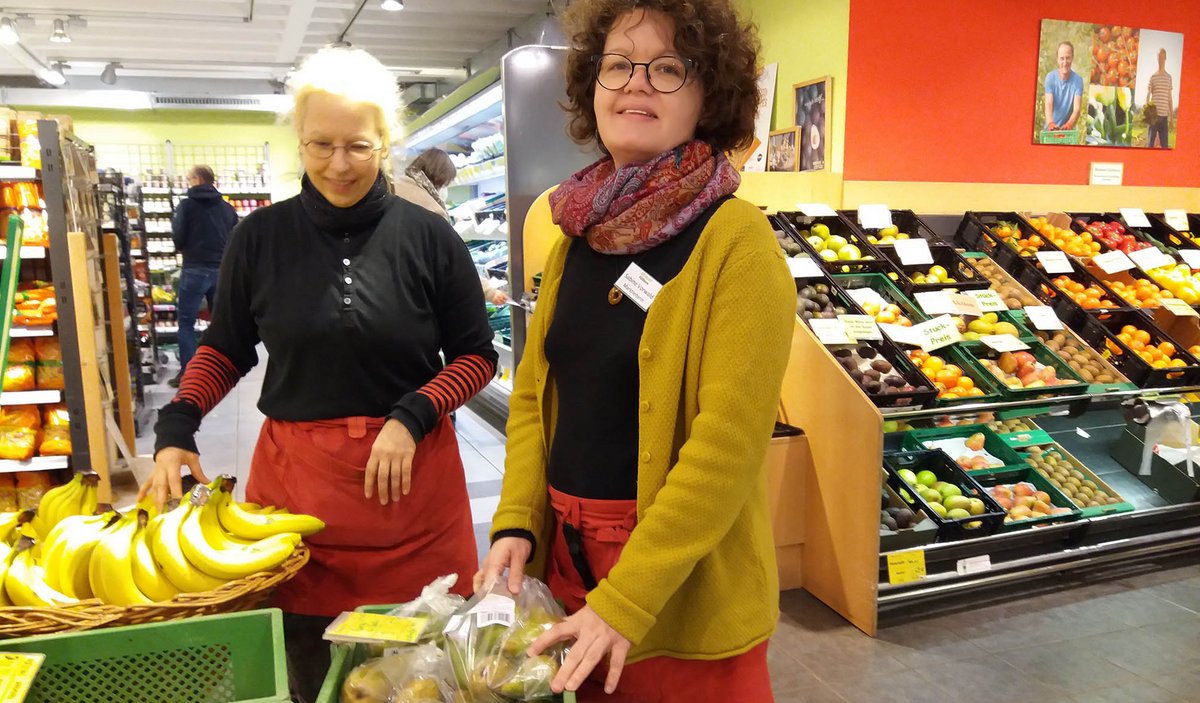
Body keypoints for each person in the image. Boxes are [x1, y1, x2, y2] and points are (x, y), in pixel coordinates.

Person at [140, 46, 497, 703]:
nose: (338, 164)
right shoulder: (258, 238)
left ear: (385, 142)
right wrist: (178, 421)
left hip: (414, 489)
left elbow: (477, 356)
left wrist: (413, 413)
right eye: (320, 145)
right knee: (312, 671)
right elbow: (226, 347)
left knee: (427, 674)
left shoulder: (430, 238)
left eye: (358, 146)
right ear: (299, 140)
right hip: (299, 500)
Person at [476, 1, 794, 700]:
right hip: (566, 569)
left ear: (710, 96)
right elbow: (532, 398)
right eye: (617, 65)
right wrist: (517, 522)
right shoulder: (575, 238)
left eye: (667, 68)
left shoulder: (737, 241)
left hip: (679, 591)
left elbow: (727, 448)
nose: (636, 82)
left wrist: (627, 598)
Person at [168, 164, 238, 388]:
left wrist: (186, 247)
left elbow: (178, 237)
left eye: (189, 178)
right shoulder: (227, 208)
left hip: (194, 269)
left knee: (186, 323)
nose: (188, 182)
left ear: (198, 179)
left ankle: (189, 373)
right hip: (221, 270)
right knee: (219, 323)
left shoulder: (186, 206)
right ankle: (220, 370)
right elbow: (236, 238)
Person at [394, 147, 457, 218]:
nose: (444, 190)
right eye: (444, 185)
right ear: (439, 180)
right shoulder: (434, 211)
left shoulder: (393, 188)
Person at [1044, 40, 1083, 131]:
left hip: (1067, 129)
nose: (1065, 62)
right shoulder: (1050, 78)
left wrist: (1069, 124)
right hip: (1050, 128)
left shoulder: (1078, 80)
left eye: (1068, 58)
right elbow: (1049, 103)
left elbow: (1077, 109)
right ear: (1057, 59)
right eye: (1062, 58)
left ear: (1072, 58)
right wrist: (1050, 123)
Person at [1147, 48, 1174, 148]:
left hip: (1164, 117)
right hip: (1153, 117)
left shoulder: (1169, 77)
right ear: (1157, 58)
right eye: (1159, 57)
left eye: (1162, 57)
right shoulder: (1153, 77)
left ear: (1165, 58)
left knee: (1165, 147)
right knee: (1149, 145)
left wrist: (1171, 119)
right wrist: (1147, 113)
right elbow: (1148, 95)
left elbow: (1170, 99)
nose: (1161, 60)